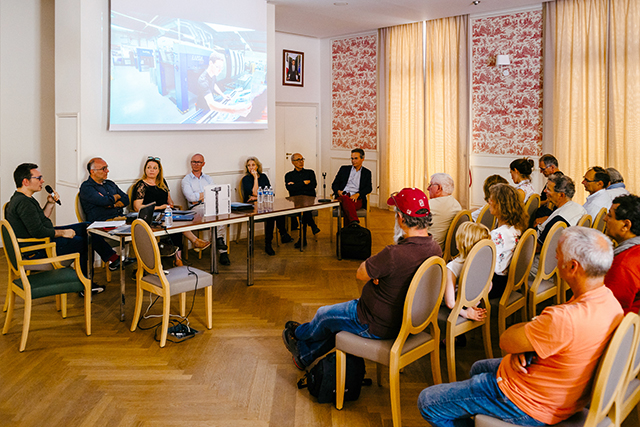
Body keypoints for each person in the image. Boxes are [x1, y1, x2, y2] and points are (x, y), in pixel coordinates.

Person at [418, 227, 623, 427]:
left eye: (557, 255)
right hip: (557, 387)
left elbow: (506, 340)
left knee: (428, 402)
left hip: (528, 402)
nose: (555, 259)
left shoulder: (564, 319)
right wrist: (528, 346)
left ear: (573, 267)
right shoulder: (610, 302)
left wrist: (525, 338)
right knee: (477, 367)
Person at [282, 188, 441, 370]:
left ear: (401, 218)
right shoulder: (435, 248)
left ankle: (298, 333)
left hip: (372, 321)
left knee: (323, 315)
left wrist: (378, 273)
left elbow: (361, 273)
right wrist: (384, 274)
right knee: (335, 324)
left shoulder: (394, 254)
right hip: (407, 320)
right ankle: (304, 356)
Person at [5, 163, 104, 294]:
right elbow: (38, 231)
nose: (43, 181)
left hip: (41, 241)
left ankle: (111, 258)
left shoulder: (23, 199)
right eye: (38, 178)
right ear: (25, 181)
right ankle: (85, 285)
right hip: (38, 249)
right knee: (85, 242)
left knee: (85, 226)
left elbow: (39, 220)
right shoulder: (24, 203)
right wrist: (63, 233)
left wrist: (50, 204)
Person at [131, 157, 210, 266]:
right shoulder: (141, 185)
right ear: (145, 170)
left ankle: (178, 258)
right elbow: (137, 207)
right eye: (149, 168)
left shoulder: (162, 182)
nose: (151, 170)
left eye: (154, 168)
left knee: (178, 223)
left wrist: (170, 204)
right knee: (174, 223)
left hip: (166, 212)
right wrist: (159, 207)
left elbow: (169, 199)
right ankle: (193, 242)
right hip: (151, 215)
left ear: (159, 170)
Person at [79, 157, 135, 272]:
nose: (107, 171)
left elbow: (125, 199)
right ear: (92, 171)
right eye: (103, 169)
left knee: (142, 225)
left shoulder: (110, 184)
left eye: (107, 168)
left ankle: (144, 265)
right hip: (100, 222)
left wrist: (113, 204)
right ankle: (114, 259)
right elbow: (103, 201)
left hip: (119, 219)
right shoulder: (87, 187)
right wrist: (113, 198)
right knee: (90, 233)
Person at [181, 153, 230, 265]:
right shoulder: (186, 180)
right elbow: (190, 198)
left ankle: (221, 248)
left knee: (221, 214)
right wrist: (206, 194)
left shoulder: (208, 178)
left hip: (210, 205)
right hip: (196, 208)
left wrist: (199, 196)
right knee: (213, 214)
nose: (196, 164)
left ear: (203, 164)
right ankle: (220, 244)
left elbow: (215, 193)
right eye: (194, 162)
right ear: (190, 163)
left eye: (198, 162)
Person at [241, 156, 293, 255]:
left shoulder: (264, 176)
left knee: (279, 210)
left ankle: (283, 234)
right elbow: (255, 192)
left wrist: (257, 196)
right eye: (248, 165)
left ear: (257, 166)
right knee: (270, 216)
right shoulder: (246, 179)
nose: (251, 167)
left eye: (253, 165)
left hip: (264, 203)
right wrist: (255, 178)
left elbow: (269, 191)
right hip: (251, 206)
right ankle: (268, 244)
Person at [487, 184, 529, 299]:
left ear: (500, 205)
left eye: (492, 199)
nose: (489, 201)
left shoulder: (498, 235)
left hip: (495, 285)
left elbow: (489, 267)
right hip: (506, 281)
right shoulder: (516, 227)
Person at [443, 222, 491, 321]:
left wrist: (466, 313)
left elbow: (450, 302)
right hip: (468, 300)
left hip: (451, 303)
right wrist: (472, 304)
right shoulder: (483, 263)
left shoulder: (452, 267)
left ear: (461, 243)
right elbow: (489, 285)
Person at [604, 194, 640, 314]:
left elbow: (607, 308)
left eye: (609, 215)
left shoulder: (624, 263)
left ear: (626, 225)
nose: (604, 219)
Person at [534, 173, 586, 245]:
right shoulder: (580, 208)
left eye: (548, 189)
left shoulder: (558, 219)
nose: (545, 191)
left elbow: (538, 246)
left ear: (561, 195)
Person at [196, 51, 251, 116]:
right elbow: (211, 104)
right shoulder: (203, 80)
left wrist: (223, 95)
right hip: (203, 108)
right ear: (211, 63)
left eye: (221, 68)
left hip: (210, 104)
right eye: (217, 67)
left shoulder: (213, 74)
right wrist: (234, 110)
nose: (220, 70)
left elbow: (214, 84)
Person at [284, 153, 320, 248]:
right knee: (303, 209)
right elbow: (290, 189)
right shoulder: (289, 175)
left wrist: (296, 185)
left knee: (303, 209)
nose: (301, 161)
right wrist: (304, 183)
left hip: (309, 199)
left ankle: (303, 239)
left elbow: (313, 185)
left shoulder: (310, 172)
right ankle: (312, 226)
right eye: (298, 160)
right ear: (293, 162)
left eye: (302, 159)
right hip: (296, 201)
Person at [331, 148, 372, 226]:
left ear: (362, 159)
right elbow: (334, 184)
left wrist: (358, 194)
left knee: (348, 205)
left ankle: (346, 233)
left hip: (356, 199)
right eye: (352, 158)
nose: (353, 161)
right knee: (346, 199)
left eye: (356, 158)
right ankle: (354, 222)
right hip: (342, 196)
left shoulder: (367, 173)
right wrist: (338, 191)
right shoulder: (344, 169)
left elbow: (368, 188)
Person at [426, 173, 462, 250]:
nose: (428, 188)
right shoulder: (457, 205)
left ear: (439, 188)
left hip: (429, 252)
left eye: (430, 185)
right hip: (443, 252)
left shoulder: (429, 205)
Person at [533, 154, 562, 222]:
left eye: (542, 169)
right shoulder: (557, 178)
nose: (541, 172)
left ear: (552, 167)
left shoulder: (555, 180)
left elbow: (550, 202)